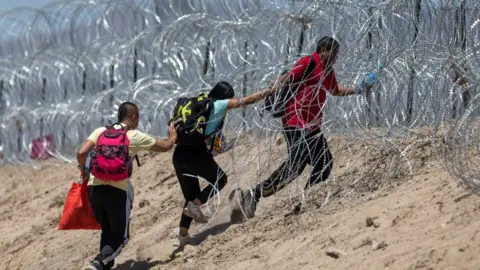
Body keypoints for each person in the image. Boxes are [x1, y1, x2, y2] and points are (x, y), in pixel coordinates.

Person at [236, 36, 371, 218]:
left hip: (313, 126)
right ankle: (254, 194)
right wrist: (273, 88)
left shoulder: (328, 71)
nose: (336, 57)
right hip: (295, 123)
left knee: (324, 163)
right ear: (323, 50)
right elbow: (288, 76)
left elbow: (335, 91)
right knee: (296, 165)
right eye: (334, 52)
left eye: (337, 53)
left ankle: (307, 199)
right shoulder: (309, 62)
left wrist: (357, 89)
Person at [77, 102, 177, 270]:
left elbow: (81, 153)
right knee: (121, 238)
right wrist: (173, 136)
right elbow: (166, 146)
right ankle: (98, 263)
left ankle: (104, 264)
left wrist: (83, 172)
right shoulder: (135, 136)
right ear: (133, 117)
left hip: (94, 189)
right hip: (117, 191)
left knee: (107, 230)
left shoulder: (100, 131)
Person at [172, 81, 272, 243]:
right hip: (194, 152)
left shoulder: (201, 102)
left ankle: (182, 235)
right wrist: (270, 90)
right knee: (220, 179)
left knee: (191, 196)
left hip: (179, 154)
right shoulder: (219, 104)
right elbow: (246, 101)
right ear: (225, 96)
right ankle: (195, 205)